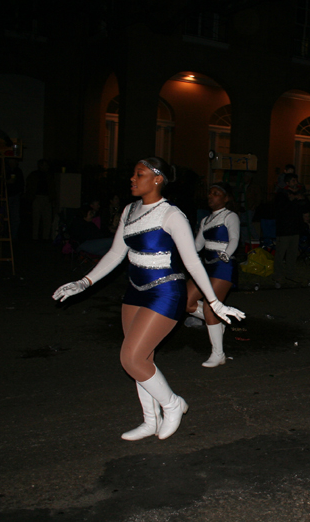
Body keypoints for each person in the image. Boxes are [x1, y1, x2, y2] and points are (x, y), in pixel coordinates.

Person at [52, 157, 245, 441]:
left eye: (139, 174)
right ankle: (150, 420)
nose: (132, 178)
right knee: (142, 358)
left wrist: (214, 302)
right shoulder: (130, 210)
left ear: (157, 179)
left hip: (165, 292)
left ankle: (172, 404)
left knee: (130, 358)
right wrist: (84, 282)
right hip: (134, 290)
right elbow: (117, 254)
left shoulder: (171, 215)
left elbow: (192, 262)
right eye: (133, 174)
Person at [185, 182, 241, 367]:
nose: (211, 196)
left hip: (223, 266)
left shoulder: (230, 216)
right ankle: (217, 321)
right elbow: (197, 246)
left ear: (226, 198)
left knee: (210, 308)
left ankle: (218, 354)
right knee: (185, 301)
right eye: (210, 193)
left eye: (216, 193)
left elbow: (234, 238)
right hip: (206, 266)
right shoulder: (206, 220)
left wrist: (227, 253)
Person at [273, 174, 306, 285]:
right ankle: (278, 275)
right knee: (280, 254)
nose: (295, 183)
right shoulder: (281, 194)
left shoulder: (298, 194)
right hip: (284, 229)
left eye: (296, 180)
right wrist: (292, 199)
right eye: (293, 181)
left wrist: (300, 199)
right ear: (287, 183)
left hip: (295, 228)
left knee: (292, 254)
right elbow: (281, 209)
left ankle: (290, 274)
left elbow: (303, 207)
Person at [27, 159, 54, 241]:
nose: (47, 167)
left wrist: (52, 198)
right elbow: (29, 186)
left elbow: (52, 188)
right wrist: (31, 197)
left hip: (47, 199)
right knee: (36, 219)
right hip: (37, 198)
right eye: (45, 165)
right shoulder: (34, 175)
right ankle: (35, 237)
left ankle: (45, 237)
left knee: (47, 219)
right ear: (40, 165)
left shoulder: (49, 175)